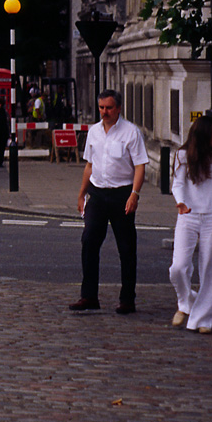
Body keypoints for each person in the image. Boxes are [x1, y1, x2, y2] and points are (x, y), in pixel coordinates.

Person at [69, 89, 148, 315]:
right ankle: (89, 296)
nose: (105, 112)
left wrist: (135, 194)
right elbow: (89, 165)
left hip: (122, 194)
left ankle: (127, 299)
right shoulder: (94, 132)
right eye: (102, 107)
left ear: (119, 108)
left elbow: (140, 165)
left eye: (109, 108)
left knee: (126, 247)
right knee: (89, 242)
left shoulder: (131, 132)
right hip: (98, 193)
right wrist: (81, 194)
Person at [169, 115, 212, 334]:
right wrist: (181, 203)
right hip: (188, 214)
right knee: (178, 267)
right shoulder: (183, 155)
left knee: (210, 267)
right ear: (204, 134)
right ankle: (186, 302)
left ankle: (203, 319)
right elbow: (178, 184)